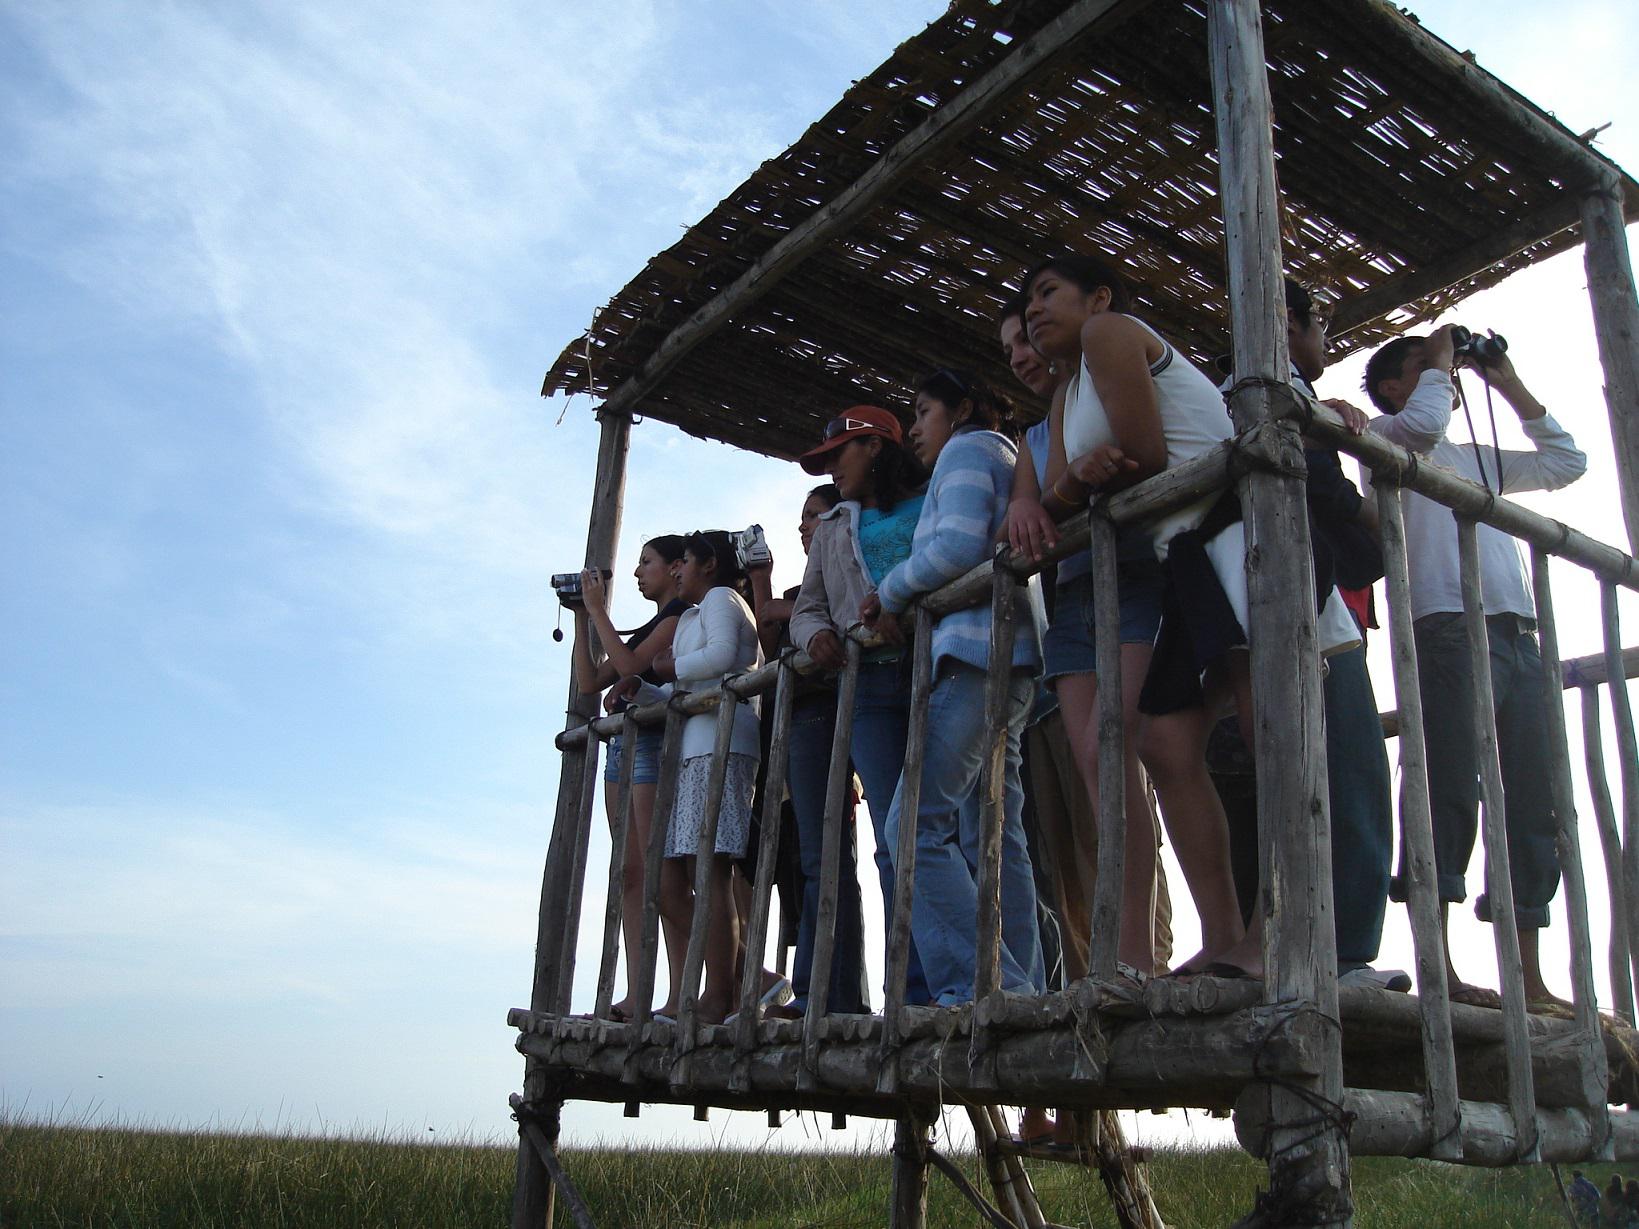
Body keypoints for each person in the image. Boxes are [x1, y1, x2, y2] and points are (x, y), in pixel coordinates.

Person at [1021, 254, 1254, 978]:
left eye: (1046, 291)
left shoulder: (1110, 332)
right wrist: (1065, 485)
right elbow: (1059, 494)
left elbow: (1145, 453)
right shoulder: (1066, 394)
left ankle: (1289, 935)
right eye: (1026, 302)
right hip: (1183, 556)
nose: (1033, 311)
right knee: (1165, 746)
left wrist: (1076, 484)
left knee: (1268, 730)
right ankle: (1221, 938)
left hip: (1231, 536)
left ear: (1097, 297)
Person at [1362, 324, 1586, 1008]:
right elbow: (1424, 426)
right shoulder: (1384, 436)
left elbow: (1564, 463)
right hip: (1446, 625)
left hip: (1516, 631)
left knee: (1533, 799)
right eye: (1423, 367)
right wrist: (1438, 355)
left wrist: (1505, 382)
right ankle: (1441, 966)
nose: (1446, 372)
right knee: (1448, 789)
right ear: (1392, 387)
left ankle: (1527, 976)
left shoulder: (1473, 456)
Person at [1220, 281, 1407, 993]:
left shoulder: (1227, 394)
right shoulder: (1278, 394)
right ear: (1287, 323)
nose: (1325, 334)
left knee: (1272, 794)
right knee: (1351, 781)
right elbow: (1328, 495)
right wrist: (1381, 524)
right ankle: (1346, 955)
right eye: (1320, 320)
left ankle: (1282, 951)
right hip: (1308, 610)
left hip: (1245, 614)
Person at [1000, 295, 1175, 980]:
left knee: (1127, 756)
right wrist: (1031, 500)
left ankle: (1141, 951)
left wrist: (1054, 498)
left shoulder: (1106, 386)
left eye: (1025, 339)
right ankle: (1119, 957)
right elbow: (1025, 513)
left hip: (1134, 570)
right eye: (1008, 350)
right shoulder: (1036, 432)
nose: (1020, 356)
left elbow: (1141, 457)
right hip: (1073, 597)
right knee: (1103, 775)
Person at [865, 370, 1046, 1006]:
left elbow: (959, 547)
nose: (913, 429)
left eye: (922, 412)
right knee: (995, 833)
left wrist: (888, 591)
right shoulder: (1000, 457)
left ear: (963, 408)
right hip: (1008, 657)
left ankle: (983, 983)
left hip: (973, 656)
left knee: (912, 827)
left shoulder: (968, 451)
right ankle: (1023, 984)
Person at [790, 408, 934, 1008]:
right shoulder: (832, 527)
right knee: (893, 836)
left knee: (956, 827)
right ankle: (913, 991)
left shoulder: (932, 498)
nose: (831, 469)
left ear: (875, 446)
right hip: (870, 689)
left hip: (941, 669)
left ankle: (970, 978)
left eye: (839, 454)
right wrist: (816, 636)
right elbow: (807, 608)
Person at [748, 483, 873, 1018]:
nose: (804, 526)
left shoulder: (835, 583)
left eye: (814, 516)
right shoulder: (807, 591)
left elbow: (784, 615)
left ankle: (831, 994)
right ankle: (824, 992)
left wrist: (772, 596)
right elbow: (770, 640)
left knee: (835, 857)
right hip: (806, 721)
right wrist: (765, 588)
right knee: (819, 860)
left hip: (831, 713)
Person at [643, 530, 764, 1024]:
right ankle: (737, 983)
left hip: (723, 742)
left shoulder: (721, 598)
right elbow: (689, 686)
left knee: (710, 871)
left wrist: (671, 666)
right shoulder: (696, 613)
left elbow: (720, 656)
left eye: (684, 561)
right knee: (691, 875)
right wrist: (641, 691)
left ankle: (720, 995)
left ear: (709, 564)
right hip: (700, 747)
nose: (676, 569)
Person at [571, 536, 689, 1021]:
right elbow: (589, 682)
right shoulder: (649, 625)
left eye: (646, 562)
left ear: (677, 567)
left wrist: (599, 610)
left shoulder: (680, 616)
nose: (638, 572)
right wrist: (581, 617)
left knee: (662, 874)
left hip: (654, 743)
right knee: (631, 874)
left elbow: (629, 669)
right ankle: (639, 992)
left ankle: (682, 994)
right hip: (623, 745)